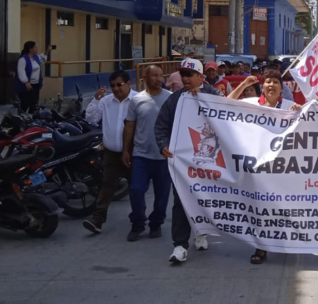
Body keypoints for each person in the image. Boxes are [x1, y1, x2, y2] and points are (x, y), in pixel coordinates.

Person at [155, 58, 224, 264]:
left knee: (203, 198)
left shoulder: (214, 95)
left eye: (189, 74)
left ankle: (201, 231)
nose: (184, 78)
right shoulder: (175, 99)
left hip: (208, 160)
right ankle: (179, 245)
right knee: (181, 200)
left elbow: (231, 117)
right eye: (182, 74)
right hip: (183, 162)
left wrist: (202, 99)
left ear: (200, 77)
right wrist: (162, 144)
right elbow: (161, 126)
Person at [239, 69, 301, 265]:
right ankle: (262, 247)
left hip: (283, 168)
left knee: (283, 208)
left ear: (282, 88)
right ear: (262, 86)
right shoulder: (251, 104)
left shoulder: (291, 106)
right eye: (268, 82)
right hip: (259, 168)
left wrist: (300, 113)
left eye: (275, 82)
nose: (271, 85)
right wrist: (243, 85)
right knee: (261, 209)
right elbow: (224, 105)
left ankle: (283, 242)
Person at [83, 70, 138, 234]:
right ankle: (97, 219)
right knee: (107, 185)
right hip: (111, 152)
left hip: (133, 153)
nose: (116, 88)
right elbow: (91, 119)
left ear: (128, 84)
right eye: (113, 85)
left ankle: (138, 219)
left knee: (136, 187)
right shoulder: (106, 101)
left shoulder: (138, 100)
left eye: (119, 85)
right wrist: (96, 99)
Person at [122, 65, 172, 242]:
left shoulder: (170, 99)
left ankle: (156, 224)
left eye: (161, 75)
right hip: (141, 154)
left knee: (162, 194)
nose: (159, 79)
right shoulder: (137, 100)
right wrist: (126, 150)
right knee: (136, 190)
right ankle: (137, 223)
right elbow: (129, 125)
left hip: (163, 157)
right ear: (145, 78)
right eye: (155, 76)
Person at [16, 41, 53, 112]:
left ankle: (32, 119)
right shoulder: (23, 59)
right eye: (35, 47)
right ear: (30, 49)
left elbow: (43, 59)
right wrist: (26, 82)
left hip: (35, 84)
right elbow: (21, 72)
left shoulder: (36, 57)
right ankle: (21, 118)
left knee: (34, 104)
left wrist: (47, 51)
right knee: (25, 103)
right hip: (26, 85)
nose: (37, 48)